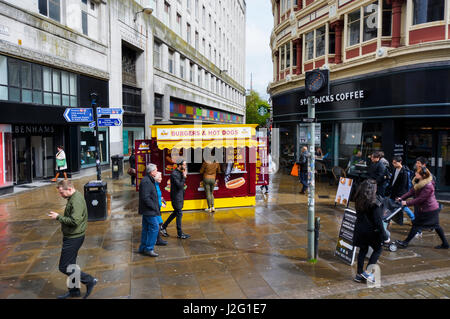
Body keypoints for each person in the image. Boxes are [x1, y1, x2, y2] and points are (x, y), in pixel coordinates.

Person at [47, 180, 97, 299]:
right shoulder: (74, 197)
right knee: (71, 265)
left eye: (61, 192)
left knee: (64, 266)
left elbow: (75, 221)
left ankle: (89, 280)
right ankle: (74, 291)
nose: (61, 195)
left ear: (69, 189)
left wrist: (58, 217)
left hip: (74, 237)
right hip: (73, 236)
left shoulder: (76, 201)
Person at [396, 167, 449, 249]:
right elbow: (411, 191)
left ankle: (405, 242)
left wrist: (407, 203)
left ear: (423, 175)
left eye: (417, 173)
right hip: (426, 209)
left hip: (429, 210)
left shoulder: (428, 186)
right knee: (435, 226)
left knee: (417, 225)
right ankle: (445, 244)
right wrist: (402, 198)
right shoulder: (419, 181)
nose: (415, 174)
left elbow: (420, 199)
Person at [353, 179, 389, 283]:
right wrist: (384, 235)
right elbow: (378, 221)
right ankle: (368, 273)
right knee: (378, 249)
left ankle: (359, 274)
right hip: (372, 232)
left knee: (362, 251)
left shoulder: (358, 198)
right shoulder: (375, 202)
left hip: (360, 230)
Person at [160, 159, 190, 239]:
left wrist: (183, 175)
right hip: (176, 197)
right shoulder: (174, 174)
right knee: (179, 213)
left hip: (180, 196)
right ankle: (180, 234)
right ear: (179, 165)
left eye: (185, 165)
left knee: (176, 213)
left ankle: (163, 227)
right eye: (184, 165)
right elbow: (180, 186)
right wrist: (184, 177)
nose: (185, 166)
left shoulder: (180, 172)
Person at [138, 163, 161, 257]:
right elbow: (145, 198)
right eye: (155, 170)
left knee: (146, 228)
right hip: (149, 210)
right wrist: (154, 207)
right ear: (151, 172)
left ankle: (143, 247)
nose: (157, 171)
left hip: (148, 210)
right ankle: (149, 249)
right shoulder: (146, 181)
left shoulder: (149, 180)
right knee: (155, 227)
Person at [389, 156, 415, 222]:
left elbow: (403, 185)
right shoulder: (395, 169)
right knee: (392, 205)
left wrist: (400, 196)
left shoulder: (404, 172)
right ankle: (390, 218)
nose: (393, 164)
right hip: (394, 191)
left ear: (400, 162)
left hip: (400, 193)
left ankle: (413, 218)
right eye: (393, 163)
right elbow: (393, 180)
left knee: (403, 207)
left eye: (395, 163)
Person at [154, 171, 168, 246]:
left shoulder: (157, 184)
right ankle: (157, 240)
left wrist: (161, 199)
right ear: (155, 178)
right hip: (155, 208)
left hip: (157, 208)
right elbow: (154, 197)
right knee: (159, 223)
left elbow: (158, 195)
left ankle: (158, 239)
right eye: (159, 177)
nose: (161, 178)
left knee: (159, 223)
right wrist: (161, 204)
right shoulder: (154, 185)